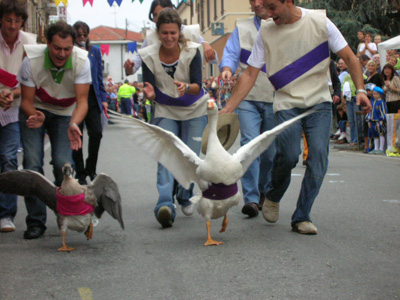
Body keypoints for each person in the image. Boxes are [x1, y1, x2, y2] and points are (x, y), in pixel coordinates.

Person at [220, 0, 371, 235]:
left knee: (318, 156)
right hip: (286, 102)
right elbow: (250, 74)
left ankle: (302, 215)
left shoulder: (320, 23)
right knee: (289, 155)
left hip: (319, 102)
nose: (267, 14)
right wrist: (228, 108)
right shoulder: (266, 32)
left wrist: (360, 90)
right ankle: (273, 194)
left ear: (287, 2)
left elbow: (351, 58)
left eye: (272, 7)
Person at [17, 20, 91, 239]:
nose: (62, 53)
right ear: (47, 43)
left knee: (62, 163)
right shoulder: (31, 60)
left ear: (73, 46)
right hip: (36, 109)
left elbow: (83, 101)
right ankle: (36, 221)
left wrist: (74, 124)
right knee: (32, 163)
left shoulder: (82, 61)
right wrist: (34, 114)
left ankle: (67, 215)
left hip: (64, 113)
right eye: (57, 48)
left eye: (67, 48)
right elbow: (25, 101)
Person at [139, 8, 208, 228]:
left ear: (180, 32)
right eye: (164, 33)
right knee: (167, 155)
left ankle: (185, 194)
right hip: (165, 109)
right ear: (158, 33)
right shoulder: (148, 55)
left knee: (190, 157)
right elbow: (150, 88)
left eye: (173, 33)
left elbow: (198, 86)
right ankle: (164, 205)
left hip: (194, 107)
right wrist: (149, 95)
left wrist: (186, 86)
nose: (169, 38)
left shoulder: (193, 51)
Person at [220, 0, 275, 218]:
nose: (257, 3)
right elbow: (231, 54)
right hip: (247, 97)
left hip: (274, 96)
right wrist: (226, 69)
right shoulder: (241, 28)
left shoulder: (281, 25)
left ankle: (264, 190)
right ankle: (251, 198)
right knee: (249, 144)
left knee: (270, 152)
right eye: (253, 0)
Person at [0, 0, 36, 233]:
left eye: (17, 21)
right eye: (8, 20)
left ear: (23, 22)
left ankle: (5, 214)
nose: (13, 25)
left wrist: (11, 94)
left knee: (8, 158)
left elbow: (31, 81)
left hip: (13, 109)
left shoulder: (30, 43)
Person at [124, 0, 217, 76]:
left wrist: (208, 48)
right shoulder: (150, 38)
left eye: (162, 13)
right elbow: (135, 66)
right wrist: (129, 68)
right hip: (163, 93)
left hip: (191, 92)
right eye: (155, 15)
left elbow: (213, 59)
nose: (158, 18)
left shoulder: (190, 32)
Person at [72, 21, 108, 185]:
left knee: (96, 133)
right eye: (79, 35)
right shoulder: (69, 51)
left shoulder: (94, 51)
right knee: (76, 135)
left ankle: (90, 168)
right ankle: (80, 172)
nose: (82, 38)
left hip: (92, 96)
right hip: (75, 97)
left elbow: (99, 77)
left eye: (84, 35)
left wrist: (104, 100)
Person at [366, 86, 387, 154]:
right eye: (374, 94)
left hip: (379, 121)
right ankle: (376, 148)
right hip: (372, 120)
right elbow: (370, 111)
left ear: (380, 95)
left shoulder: (381, 102)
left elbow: (383, 112)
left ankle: (381, 148)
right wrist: (368, 119)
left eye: (376, 94)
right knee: (375, 135)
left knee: (381, 133)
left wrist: (381, 120)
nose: (375, 95)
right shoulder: (372, 102)